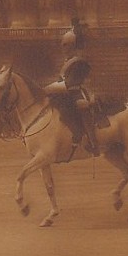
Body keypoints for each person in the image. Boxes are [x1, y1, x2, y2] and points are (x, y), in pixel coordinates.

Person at [43, 17, 98, 157]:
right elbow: (61, 80)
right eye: (63, 45)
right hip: (66, 93)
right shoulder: (68, 61)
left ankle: (92, 142)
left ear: (73, 46)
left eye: (66, 45)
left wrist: (49, 88)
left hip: (78, 92)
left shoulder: (80, 61)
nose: (63, 48)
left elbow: (71, 83)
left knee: (80, 108)